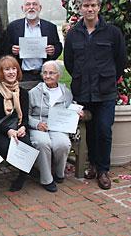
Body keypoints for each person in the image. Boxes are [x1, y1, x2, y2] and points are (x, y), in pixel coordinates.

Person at [64, 0, 127, 190]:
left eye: (93, 6)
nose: (89, 9)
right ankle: (92, 163)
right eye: (85, 6)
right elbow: (69, 62)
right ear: (80, 8)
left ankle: (103, 170)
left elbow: (120, 60)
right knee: (89, 130)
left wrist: (106, 77)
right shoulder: (74, 34)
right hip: (83, 91)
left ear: (98, 7)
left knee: (103, 129)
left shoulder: (113, 33)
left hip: (105, 91)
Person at [28, 61, 80, 192]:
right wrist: (37, 124)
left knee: (62, 144)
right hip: (39, 126)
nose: (47, 76)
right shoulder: (34, 92)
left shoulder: (66, 92)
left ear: (59, 75)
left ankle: (59, 173)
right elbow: (25, 116)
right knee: (42, 142)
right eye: (45, 73)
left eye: (51, 73)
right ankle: (46, 179)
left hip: (58, 126)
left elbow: (70, 110)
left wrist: (77, 111)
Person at [0, 55, 31, 192]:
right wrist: (8, 131)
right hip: (1, 130)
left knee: (27, 145)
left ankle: (22, 176)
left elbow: (25, 116)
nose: (11, 72)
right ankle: (23, 170)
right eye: (6, 69)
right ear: (1, 73)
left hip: (18, 127)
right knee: (7, 147)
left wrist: (23, 127)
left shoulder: (23, 93)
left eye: (14, 68)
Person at [7, 0, 63, 90]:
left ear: (40, 8)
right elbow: (5, 46)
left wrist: (53, 50)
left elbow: (58, 46)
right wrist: (11, 49)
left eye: (35, 4)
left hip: (44, 75)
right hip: (21, 75)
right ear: (22, 8)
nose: (31, 7)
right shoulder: (13, 27)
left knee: (43, 102)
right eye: (28, 4)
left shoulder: (50, 27)